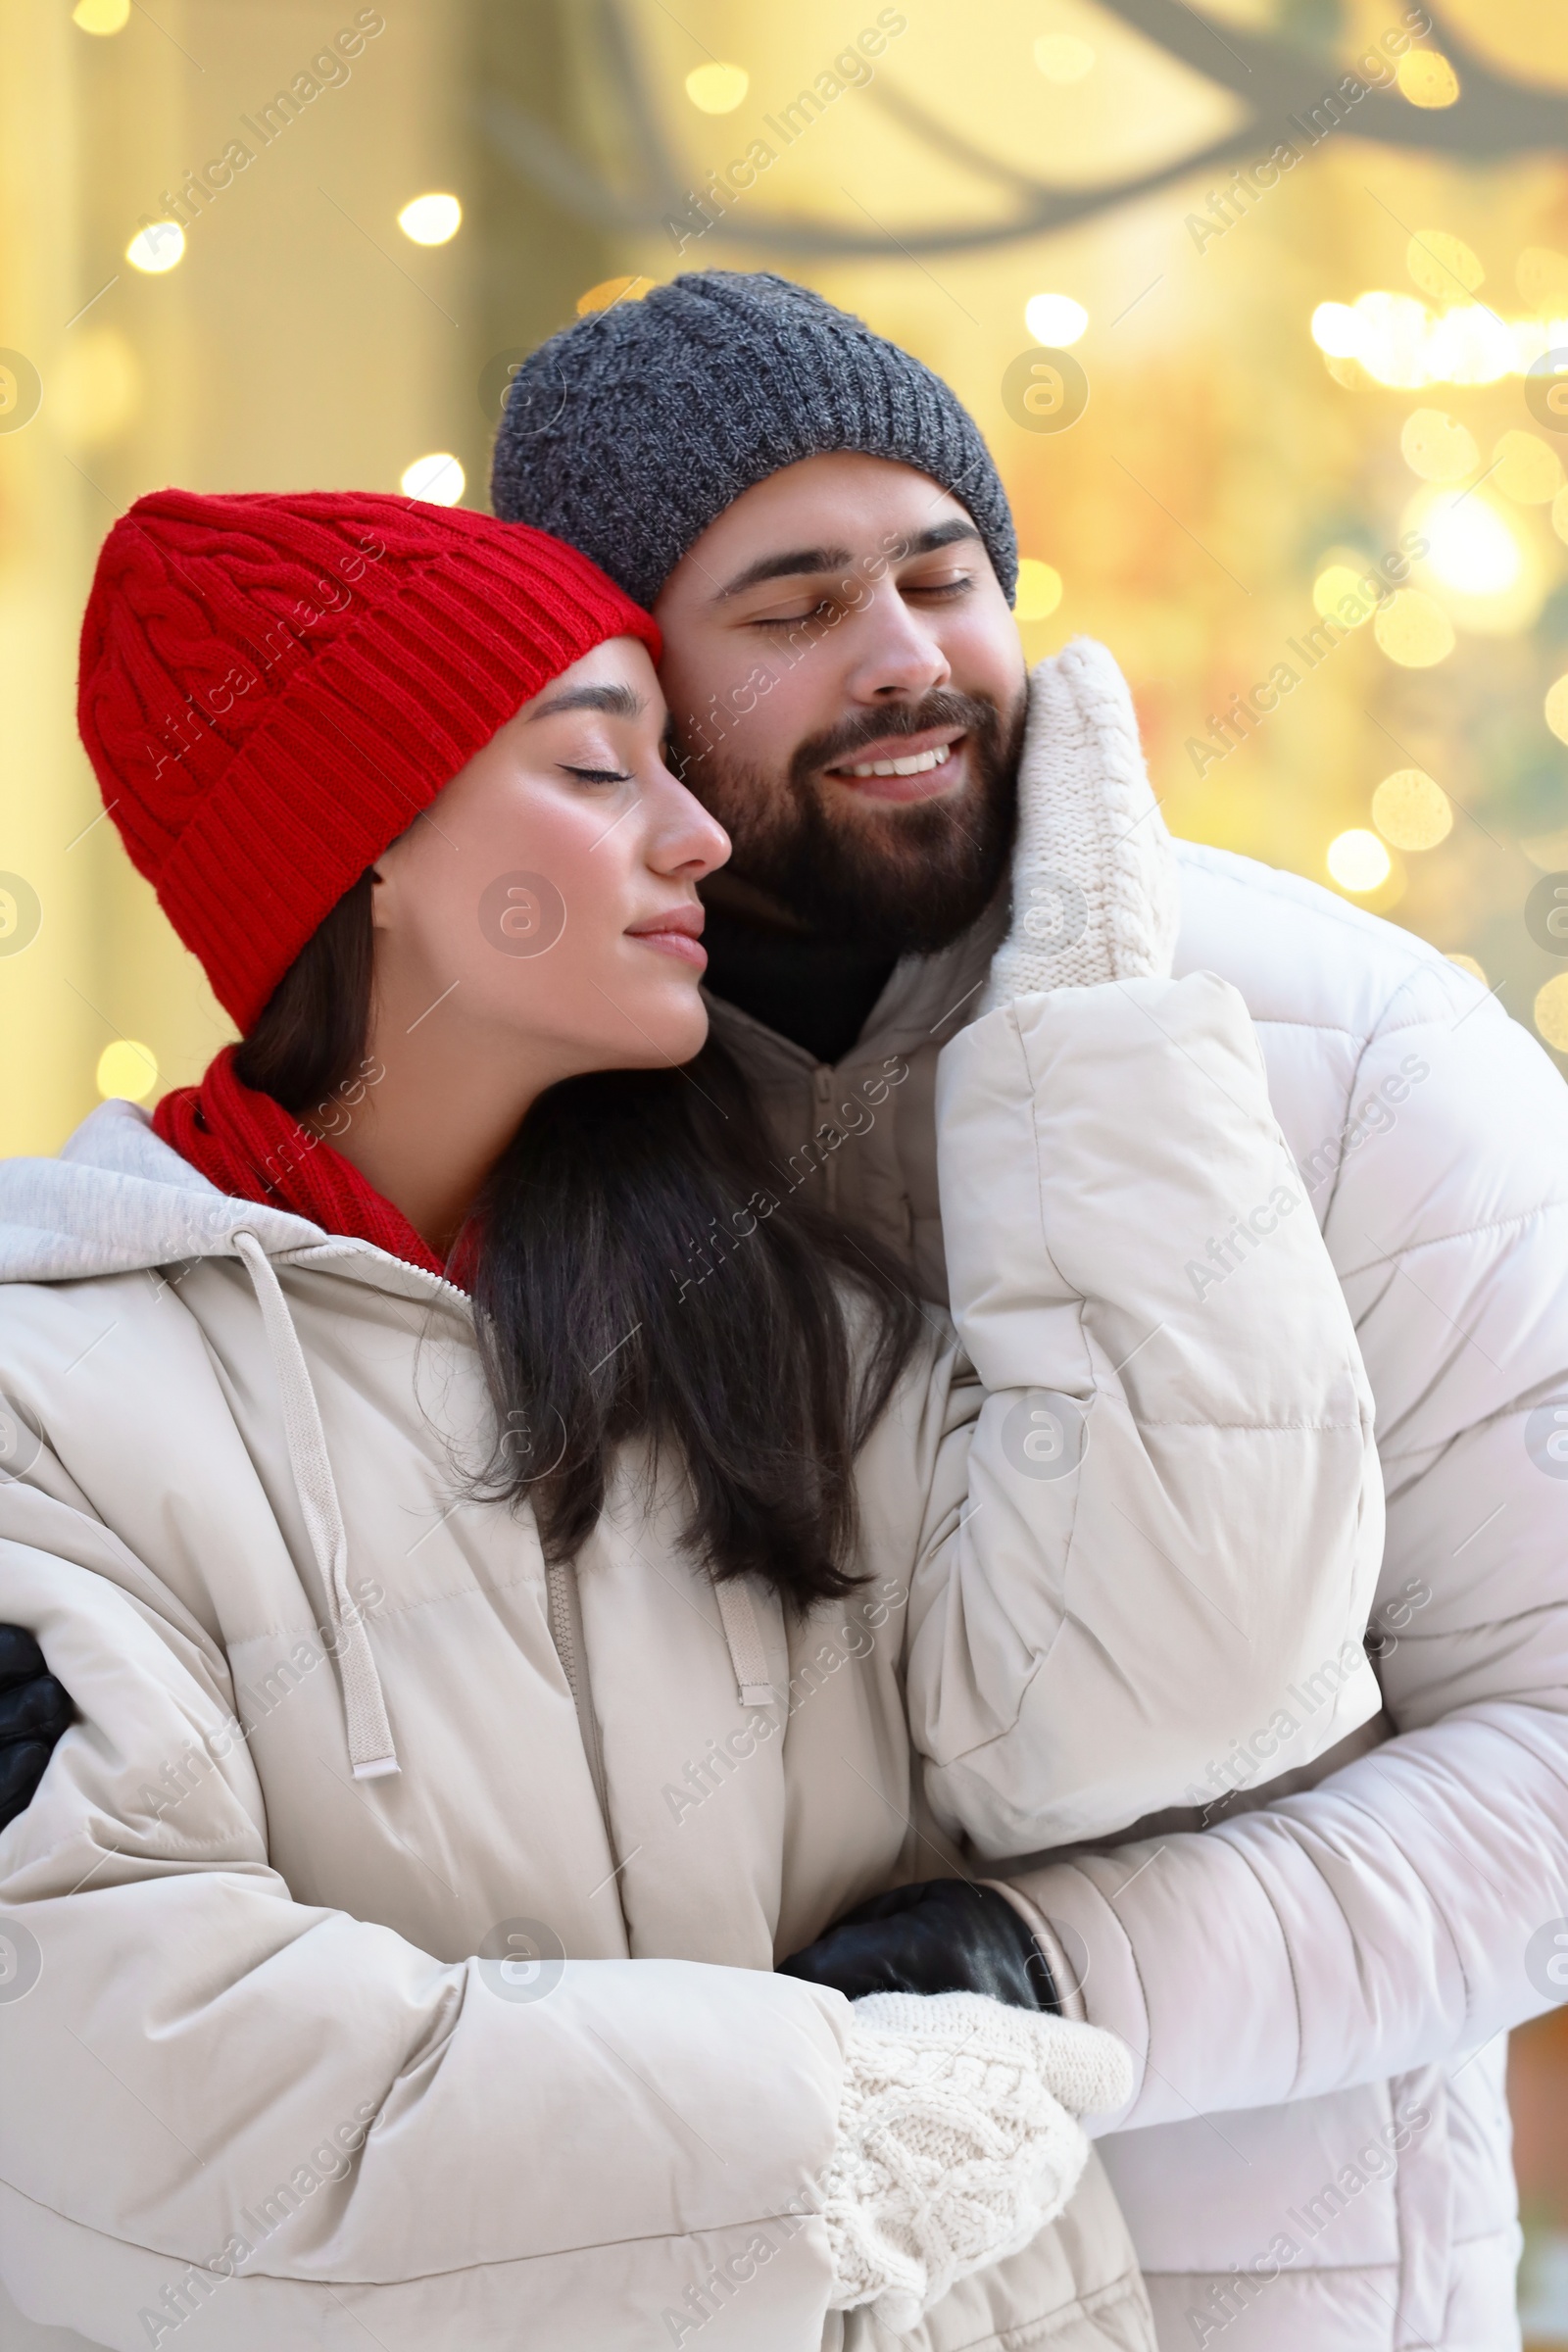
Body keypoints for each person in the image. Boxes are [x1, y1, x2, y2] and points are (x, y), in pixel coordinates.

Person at [0, 489, 1380, 2351]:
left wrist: (1095, 1012)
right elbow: (137, 2104)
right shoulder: (54, 1408)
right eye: (595, 770)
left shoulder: (772, 1306)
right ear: (374, 856)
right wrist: (835, 2133)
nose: (700, 835)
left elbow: (1179, 1692)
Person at [486, 269, 1568, 2352]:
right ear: (615, 685)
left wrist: (1043, 1977)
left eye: (940, 573)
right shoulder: (511, 1096)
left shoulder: (1353, 1061)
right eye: (792, 610)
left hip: (1238, 2300)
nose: (903, 663)